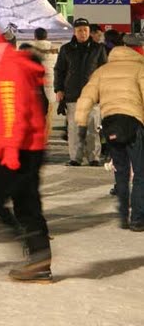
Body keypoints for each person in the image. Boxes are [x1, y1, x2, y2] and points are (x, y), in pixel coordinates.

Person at [0, 24, 51, 283]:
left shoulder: (7, 68)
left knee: (4, 202)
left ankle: (37, 255)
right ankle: (38, 257)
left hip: (20, 148)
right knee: (26, 202)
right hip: (29, 145)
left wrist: (8, 150)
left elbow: (12, 114)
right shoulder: (11, 63)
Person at [75, 32, 144, 231]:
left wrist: (80, 122)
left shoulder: (101, 71)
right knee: (140, 173)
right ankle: (138, 219)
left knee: (121, 172)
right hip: (133, 124)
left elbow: (86, 97)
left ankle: (123, 215)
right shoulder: (139, 68)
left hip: (111, 124)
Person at [54, 16, 107, 166]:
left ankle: (94, 158)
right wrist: (59, 89)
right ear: (74, 32)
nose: (82, 33)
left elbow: (104, 71)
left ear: (89, 31)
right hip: (72, 95)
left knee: (93, 129)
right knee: (74, 129)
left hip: (92, 96)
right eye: (79, 30)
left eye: (85, 30)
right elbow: (59, 70)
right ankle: (75, 158)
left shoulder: (98, 49)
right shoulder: (66, 49)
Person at [28, 27, 57, 143]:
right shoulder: (53, 50)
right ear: (46, 36)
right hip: (49, 86)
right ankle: (44, 139)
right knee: (48, 115)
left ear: (35, 36)